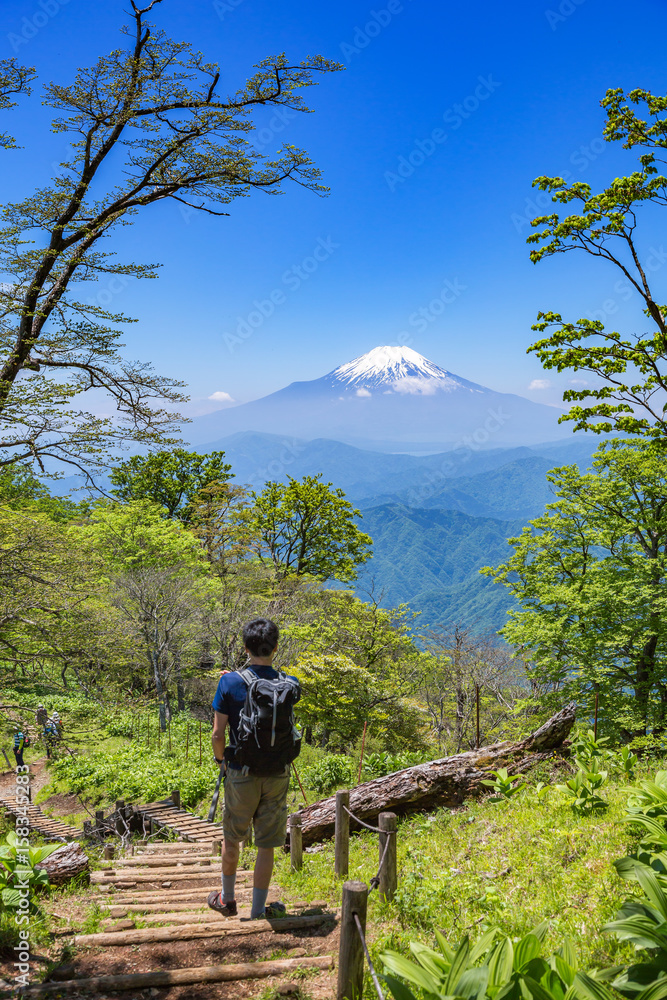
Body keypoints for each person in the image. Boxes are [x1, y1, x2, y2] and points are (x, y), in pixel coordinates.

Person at [208, 618, 300, 919]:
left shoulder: (229, 682)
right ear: (275, 648)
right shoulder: (290, 683)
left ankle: (228, 899)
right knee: (266, 844)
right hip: (277, 773)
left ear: (245, 647)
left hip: (241, 772)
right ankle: (258, 910)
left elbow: (218, 735)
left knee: (233, 837)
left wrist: (221, 761)